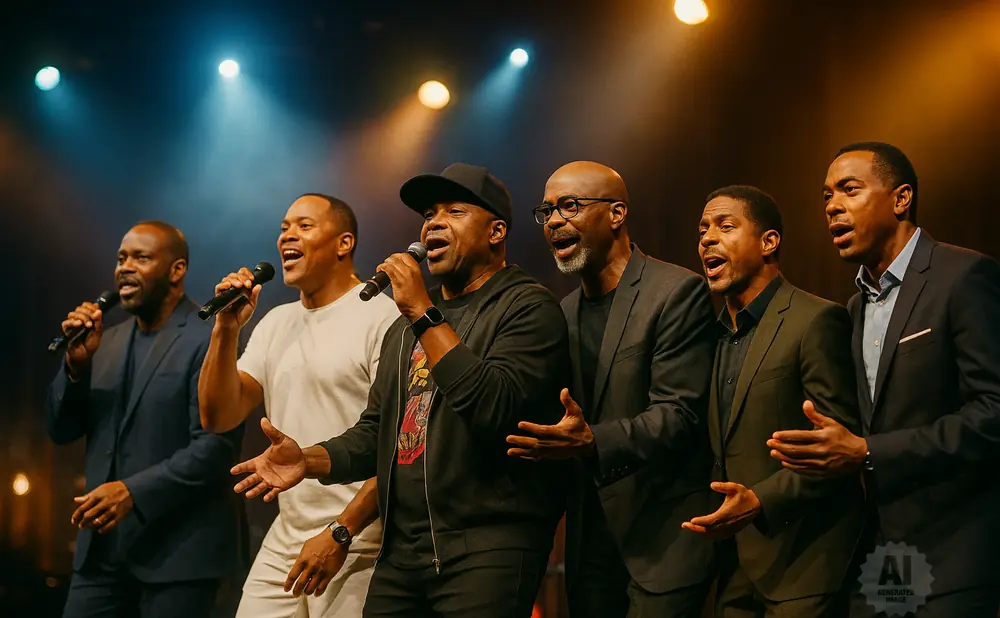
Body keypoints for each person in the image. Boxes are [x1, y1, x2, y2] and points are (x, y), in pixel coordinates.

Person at [229, 163, 571, 618]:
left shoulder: (527, 307)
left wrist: (423, 312)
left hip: (488, 547)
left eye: (454, 210)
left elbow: (495, 409)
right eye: (429, 214)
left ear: (496, 231)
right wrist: (306, 459)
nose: (433, 222)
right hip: (404, 550)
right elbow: (378, 433)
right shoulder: (406, 328)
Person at [769, 142, 1000, 617]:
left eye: (849, 190)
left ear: (901, 199)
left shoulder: (965, 276)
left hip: (958, 553)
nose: (832, 206)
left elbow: (993, 412)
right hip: (887, 556)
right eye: (826, 196)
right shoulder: (854, 307)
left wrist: (867, 452)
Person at [505, 161, 716, 618]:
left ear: (617, 214)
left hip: (662, 542)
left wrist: (592, 440)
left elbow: (680, 414)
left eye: (570, 206)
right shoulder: (560, 312)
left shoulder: (676, 292)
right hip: (589, 547)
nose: (555, 220)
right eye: (548, 211)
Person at [198, 194, 398, 617]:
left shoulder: (384, 317)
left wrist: (342, 532)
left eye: (304, 226)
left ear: (344, 243)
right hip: (285, 535)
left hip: (360, 538)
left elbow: (399, 441)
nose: (287, 235)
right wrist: (225, 329)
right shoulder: (276, 322)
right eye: (284, 227)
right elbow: (218, 416)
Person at [45, 221, 246, 618]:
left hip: (179, 556)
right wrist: (75, 369)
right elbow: (60, 429)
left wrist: (132, 492)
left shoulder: (209, 336)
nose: (125, 267)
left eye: (141, 257)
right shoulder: (104, 341)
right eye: (121, 258)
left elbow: (216, 447)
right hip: (102, 556)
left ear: (177, 270)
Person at [683, 185, 864, 617]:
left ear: (768, 242)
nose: (708, 238)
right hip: (733, 570)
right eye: (703, 230)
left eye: (726, 226)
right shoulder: (708, 336)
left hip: (804, 564)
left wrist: (761, 500)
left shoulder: (816, 320)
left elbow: (838, 452)